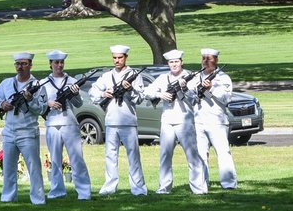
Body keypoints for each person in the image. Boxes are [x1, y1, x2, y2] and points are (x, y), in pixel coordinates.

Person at [144, 49, 207, 194]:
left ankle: (198, 188)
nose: (174, 65)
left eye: (176, 62)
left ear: (181, 62)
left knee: (192, 155)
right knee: (165, 155)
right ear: (168, 63)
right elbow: (147, 92)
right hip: (167, 120)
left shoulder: (191, 77)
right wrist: (160, 94)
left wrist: (184, 88)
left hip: (185, 120)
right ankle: (164, 187)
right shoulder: (163, 78)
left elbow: (194, 98)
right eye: (171, 62)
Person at [0, 52, 47, 204]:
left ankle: (38, 198)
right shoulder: (7, 83)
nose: (20, 67)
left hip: (28, 132)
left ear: (30, 65)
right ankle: (8, 197)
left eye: (24, 64)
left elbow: (41, 109)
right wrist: (1, 104)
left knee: (33, 168)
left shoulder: (37, 86)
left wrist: (30, 100)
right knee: (8, 168)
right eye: (18, 64)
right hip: (9, 131)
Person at [89, 44, 147, 195]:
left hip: (128, 120)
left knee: (133, 156)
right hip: (111, 120)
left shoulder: (134, 74)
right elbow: (93, 91)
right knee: (110, 156)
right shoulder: (107, 76)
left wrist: (130, 89)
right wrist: (103, 94)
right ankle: (109, 187)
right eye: (114, 58)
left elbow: (140, 98)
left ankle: (138, 188)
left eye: (120, 58)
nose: (117, 61)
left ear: (126, 58)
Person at [42, 49, 91, 200]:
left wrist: (75, 93)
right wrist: (48, 103)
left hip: (69, 123)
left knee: (76, 158)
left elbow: (78, 104)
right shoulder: (43, 83)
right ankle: (57, 191)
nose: (59, 65)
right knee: (55, 160)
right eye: (56, 62)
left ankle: (84, 192)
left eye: (61, 62)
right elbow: (37, 104)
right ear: (50, 64)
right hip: (52, 124)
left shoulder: (71, 81)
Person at [193, 48, 237, 189]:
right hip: (199, 119)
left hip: (216, 120)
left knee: (223, 153)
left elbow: (226, 98)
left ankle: (229, 183)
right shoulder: (196, 76)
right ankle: (201, 183)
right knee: (200, 154)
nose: (205, 61)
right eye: (203, 58)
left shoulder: (223, 78)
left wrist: (211, 88)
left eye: (209, 59)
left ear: (216, 60)